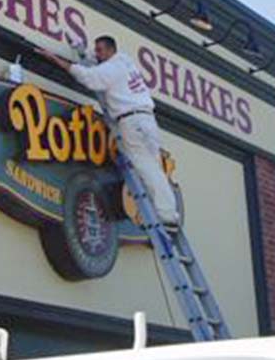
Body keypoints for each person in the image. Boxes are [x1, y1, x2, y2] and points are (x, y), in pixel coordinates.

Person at [38, 36, 179, 227]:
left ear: (110, 50)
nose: (97, 54)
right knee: (154, 168)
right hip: (147, 119)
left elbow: (88, 77)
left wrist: (55, 59)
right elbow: (95, 62)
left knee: (145, 167)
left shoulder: (111, 69)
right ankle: (167, 211)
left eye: (100, 50)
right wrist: (81, 49)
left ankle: (166, 216)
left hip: (131, 121)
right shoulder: (124, 60)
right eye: (96, 50)